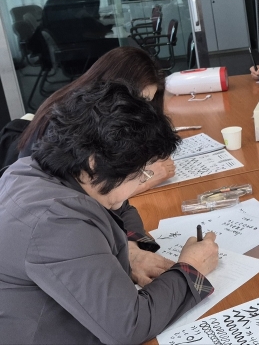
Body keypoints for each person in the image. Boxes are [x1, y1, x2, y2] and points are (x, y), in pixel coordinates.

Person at [0, 81, 219, 343]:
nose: (140, 183)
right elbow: (129, 325)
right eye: (140, 173)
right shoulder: (56, 223)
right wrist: (191, 269)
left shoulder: (34, 170)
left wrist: (132, 251)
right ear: (95, 163)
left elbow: (120, 206)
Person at [18, 46, 176, 286]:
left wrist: (131, 246)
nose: (142, 113)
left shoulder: (84, 115)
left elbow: (117, 203)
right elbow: (95, 201)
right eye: (139, 101)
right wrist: (144, 180)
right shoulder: (68, 131)